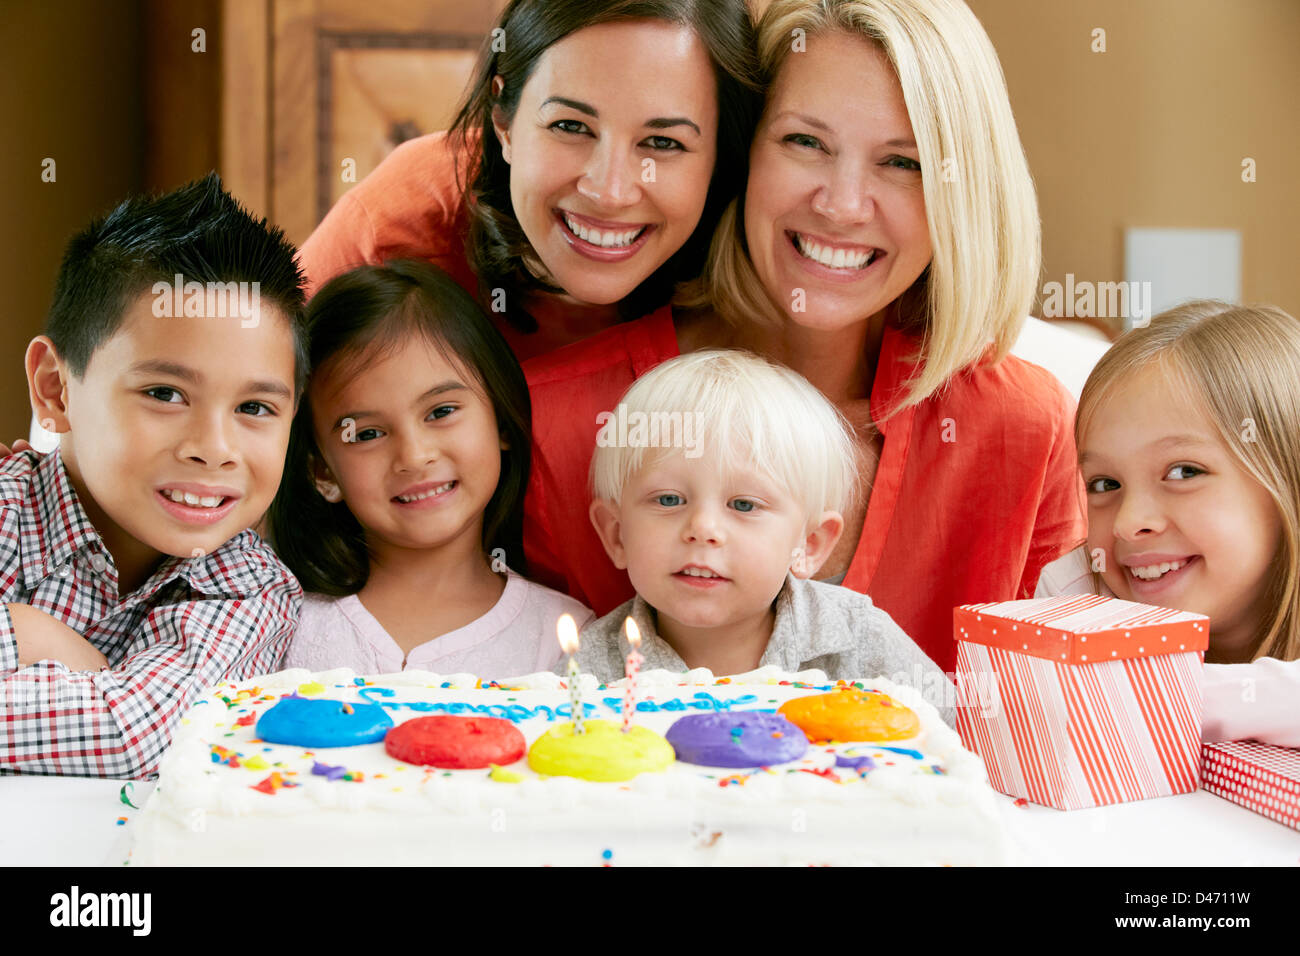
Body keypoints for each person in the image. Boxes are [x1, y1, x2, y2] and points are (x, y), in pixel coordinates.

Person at [523, 0, 1085, 673]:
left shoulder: (1021, 428)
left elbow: (1052, 729)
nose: (843, 205)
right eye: (805, 142)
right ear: (742, 154)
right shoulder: (556, 421)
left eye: (903, 163)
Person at [0, 174, 305, 778]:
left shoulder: (254, 591)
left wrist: (32, 637)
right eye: (165, 393)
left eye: (254, 408)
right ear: (54, 389)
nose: (213, 449)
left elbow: (138, 734)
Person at [297, 0, 762, 361]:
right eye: (571, 127)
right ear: (504, 122)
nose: (609, 191)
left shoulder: (762, 273)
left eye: (662, 142)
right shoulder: (395, 229)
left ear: (722, 154)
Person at [573, 350, 954, 720]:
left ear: (810, 543)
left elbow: (960, 752)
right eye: (670, 499)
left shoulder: (861, 641)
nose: (702, 529)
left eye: (743, 505)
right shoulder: (586, 672)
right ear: (617, 535)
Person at [268, 260, 592, 677]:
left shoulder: (567, 639)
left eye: (441, 411)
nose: (415, 456)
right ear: (323, 473)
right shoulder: (275, 625)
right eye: (367, 434)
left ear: (501, 423)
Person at [1035, 300, 1300, 748]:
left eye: (1183, 473)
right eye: (1104, 483)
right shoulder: (1077, 591)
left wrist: (1162, 699)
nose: (1128, 523)